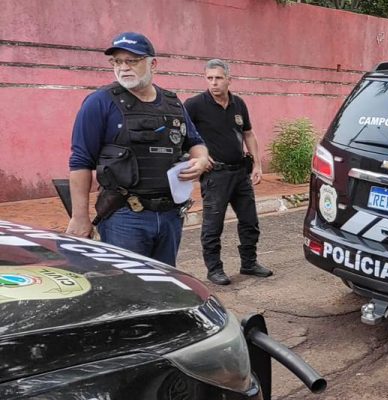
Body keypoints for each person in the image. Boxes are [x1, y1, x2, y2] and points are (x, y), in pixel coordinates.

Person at [66, 32, 211, 266]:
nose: (123, 68)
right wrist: (79, 217)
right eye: (116, 61)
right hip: (124, 217)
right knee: (128, 292)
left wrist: (201, 160)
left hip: (170, 215)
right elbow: (81, 162)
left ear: (153, 63)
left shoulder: (173, 104)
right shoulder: (99, 102)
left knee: (164, 286)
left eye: (131, 61)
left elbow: (195, 142)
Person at [184, 59, 272, 285]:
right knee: (213, 226)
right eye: (209, 78)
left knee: (250, 221)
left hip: (240, 174)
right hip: (216, 176)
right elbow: (182, 136)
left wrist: (257, 165)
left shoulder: (239, 104)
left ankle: (249, 263)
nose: (213, 83)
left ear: (229, 80)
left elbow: (249, 134)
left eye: (218, 78)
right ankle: (214, 270)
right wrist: (198, 157)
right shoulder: (194, 105)